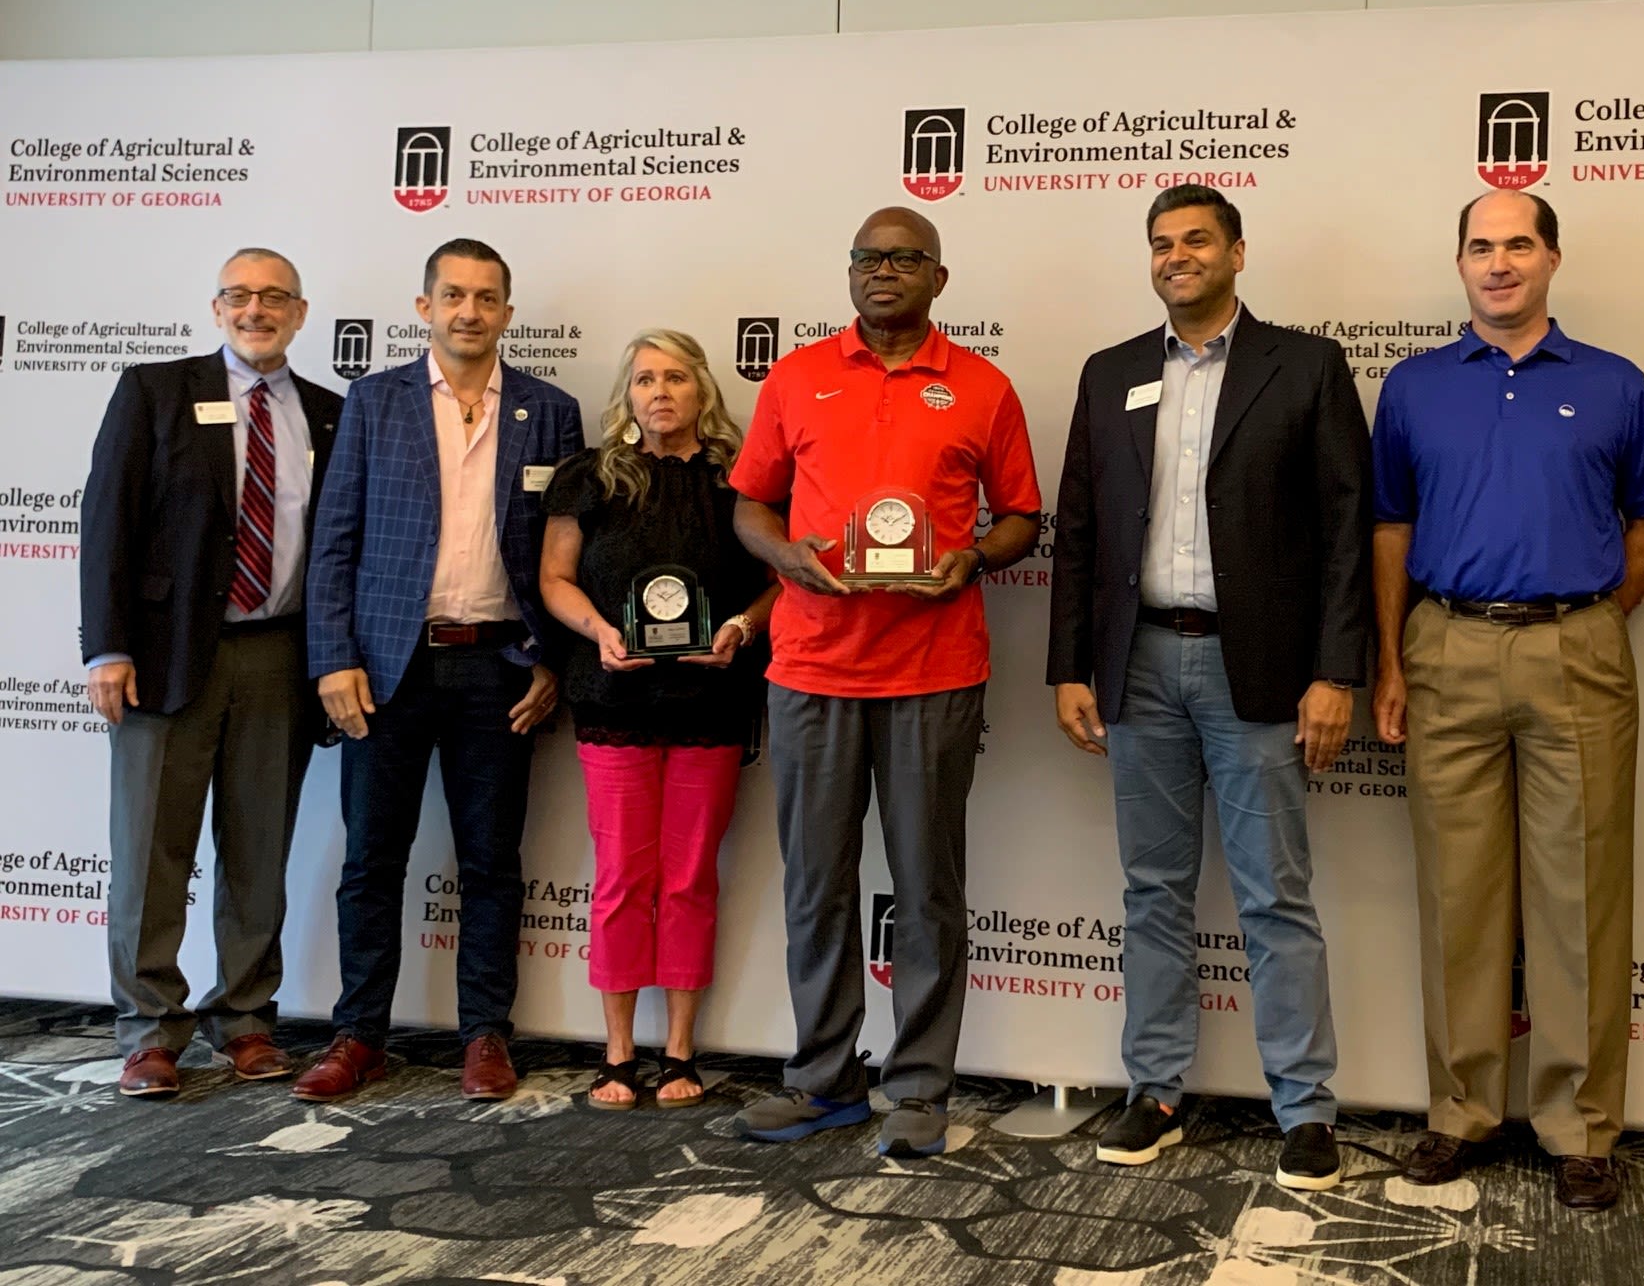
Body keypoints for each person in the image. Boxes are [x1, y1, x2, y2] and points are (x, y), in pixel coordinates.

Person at [1046, 184, 1371, 1191]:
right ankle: (1154, 1089)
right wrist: (1068, 665)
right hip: (1139, 665)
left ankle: (1305, 1108)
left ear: (1237, 253)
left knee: (1276, 894)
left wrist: (1335, 671)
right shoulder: (1110, 376)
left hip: (1260, 670)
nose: (1176, 256)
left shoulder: (1306, 367)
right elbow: (1081, 534)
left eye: (1196, 240)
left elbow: (1345, 534)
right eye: (1161, 244)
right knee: (1151, 890)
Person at [1369, 190, 1644, 1211]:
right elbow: (1391, 533)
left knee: (1580, 897)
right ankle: (1460, 1113)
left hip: (1575, 648)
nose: (1498, 263)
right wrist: (1391, 662)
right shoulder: (1414, 387)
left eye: (1517, 245)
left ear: (1551, 258)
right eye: (1479, 247)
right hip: (1446, 644)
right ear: (1458, 264)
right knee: (1459, 897)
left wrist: (1594, 617)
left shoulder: (1615, 383)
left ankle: (1580, 1128)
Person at [728, 206, 1041, 1158]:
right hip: (813, 668)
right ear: (850, 271)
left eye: (905, 258)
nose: (883, 272)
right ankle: (823, 1080)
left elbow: (1022, 515)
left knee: (926, 889)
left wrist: (973, 558)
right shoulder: (797, 377)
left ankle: (917, 1089)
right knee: (815, 886)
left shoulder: (983, 387)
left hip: (932, 672)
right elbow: (749, 505)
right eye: (867, 258)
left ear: (939, 279)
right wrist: (789, 555)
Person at [293, 237, 583, 1104]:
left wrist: (551, 659)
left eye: (486, 297)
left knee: (492, 861)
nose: (468, 311)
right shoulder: (374, 402)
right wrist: (333, 658)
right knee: (372, 860)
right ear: (423, 307)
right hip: (386, 669)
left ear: (506, 311)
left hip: (500, 668)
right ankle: (358, 1036)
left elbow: (571, 554)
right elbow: (334, 543)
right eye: (452, 295)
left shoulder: (551, 411)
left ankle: (486, 1035)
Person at [79, 249, 343, 1099]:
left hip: (281, 653)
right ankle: (150, 1031)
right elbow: (106, 524)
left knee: (259, 850)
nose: (256, 309)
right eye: (240, 295)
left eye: (274, 298)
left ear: (301, 314)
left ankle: (248, 1021)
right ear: (216, 306)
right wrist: (106, 648)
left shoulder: (330, 415)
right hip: (164, 660)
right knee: (151, 848)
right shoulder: (155, 391)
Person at [539, 329, 777, 1109]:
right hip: (615, 701)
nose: (660, 391)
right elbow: (556, 578)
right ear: (627, 393)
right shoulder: (589, 478)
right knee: (620, 879)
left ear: (703, 388)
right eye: (644, 379)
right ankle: (615, 1053)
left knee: (688, 879)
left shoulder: (740, 478)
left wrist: (742, 626)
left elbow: (782, 577)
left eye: (676, 376)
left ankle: (678, 1050)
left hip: (710, 702)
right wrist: (599, 633)